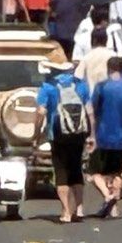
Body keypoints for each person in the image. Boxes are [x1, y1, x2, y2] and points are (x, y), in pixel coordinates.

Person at [86, 60, 122, 219]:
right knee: (117, 173)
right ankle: (114, 209)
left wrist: (92, 135)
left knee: (95, 173)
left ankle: (107, 196)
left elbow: (94, 113)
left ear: (108, 68)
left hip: (104, 136)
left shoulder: (102, 87)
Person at [39, 64, 91, 226]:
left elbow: (41, 111)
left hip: (58, 134)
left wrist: (37, 132)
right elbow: (89, 110)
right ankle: (80, 208)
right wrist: (91, 133)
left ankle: (66, 212)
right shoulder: (81, 84)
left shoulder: (48, 86)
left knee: (61, 171)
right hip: (78, 134)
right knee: (76, 169)